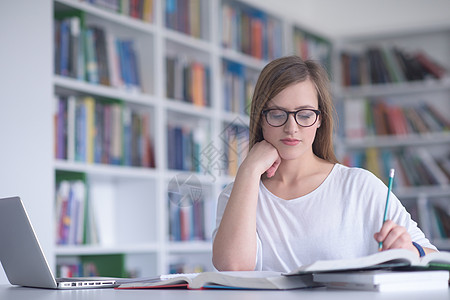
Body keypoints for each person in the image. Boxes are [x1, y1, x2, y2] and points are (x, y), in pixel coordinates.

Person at [212, 55, 437, 272]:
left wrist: (411, 250)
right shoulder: (238, 194)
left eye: (305, 114)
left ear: (319, 118)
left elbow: (435, 258)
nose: (291, 128)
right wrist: (249, 170)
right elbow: (234, 267)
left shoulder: (359, 186)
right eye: (277, 114)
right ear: (260, 118)